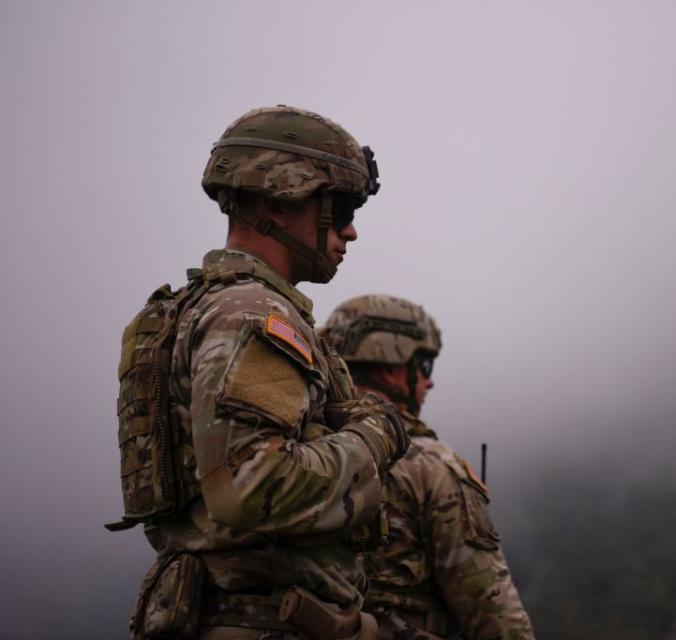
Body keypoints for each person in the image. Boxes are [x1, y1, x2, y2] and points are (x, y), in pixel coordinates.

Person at [110, 106, 409, 640]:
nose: (352, 231)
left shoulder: (203, 309)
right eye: (339, 207)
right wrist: (376, 433)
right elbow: (254, 487)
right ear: (278, 198)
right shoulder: (252, 314)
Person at [320, 295, 535, 640]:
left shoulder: (304, 450)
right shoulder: (431, 466)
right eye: (423, 366)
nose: (428, 382)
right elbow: (493, 614)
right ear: (391, 366)